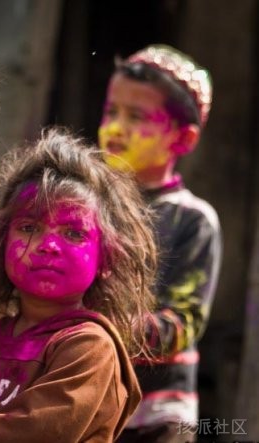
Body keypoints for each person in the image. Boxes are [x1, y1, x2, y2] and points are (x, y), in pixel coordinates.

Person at [0, 128, 156, 442]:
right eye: (29, 227)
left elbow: (28, 433)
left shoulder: (88, 347)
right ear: (0, 244)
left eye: (74, 233)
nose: (48, 245)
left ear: (106, 259)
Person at [98, 44, 222, 442]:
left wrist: (93, 327)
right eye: (111, 112)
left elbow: (184, 322)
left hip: (156, 417)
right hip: (88, 401)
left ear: (182, 139)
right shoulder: (83, 204)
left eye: (137, 117)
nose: (116, 127)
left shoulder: (193, 219)